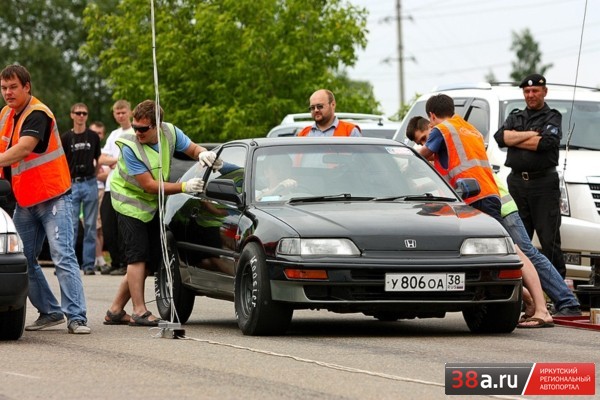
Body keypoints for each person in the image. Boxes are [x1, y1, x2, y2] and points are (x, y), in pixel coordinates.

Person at [105, 99, 221, 326]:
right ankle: (139, 311)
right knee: (137, 256)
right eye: (135, 127)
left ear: (158, 126)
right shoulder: (129, 147)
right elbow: (148, 185)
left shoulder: (170, 133)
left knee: (148, 262)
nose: (137, 132)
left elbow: (192, 148)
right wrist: (185, 187)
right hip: (128, 203)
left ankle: (115, 310)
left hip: (150, 204)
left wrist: (203, 154)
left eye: (143, 128)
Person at [0, 64, 90, 334]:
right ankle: (50, 311)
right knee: (21, 259)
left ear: (27, 87)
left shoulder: (38, 113)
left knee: (63, 256)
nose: (8, 92)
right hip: (26, 201)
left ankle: (76, 317)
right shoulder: (5, 114)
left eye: (13, 87)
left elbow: (23, 148)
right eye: (4, 88)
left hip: (53, 197)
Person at [493, 73, 566, 278]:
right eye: (527, 91)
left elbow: (546, 143)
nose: (530, 95)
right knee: (518, 240)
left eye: (535, 91)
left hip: (543, 185)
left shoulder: (553, 116)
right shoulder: (516, 116)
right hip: (517, 184)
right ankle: (524, 292)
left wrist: (514, 139)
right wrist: (532, 134)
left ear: (544, 91)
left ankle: (558, 293)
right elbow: (500, 137)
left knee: (549, 239)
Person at [495, 175, 582, 319]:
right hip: (498, 206)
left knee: (526, 254)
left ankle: (567, 302)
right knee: (521, 254)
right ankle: (536, 302)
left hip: (500, 208)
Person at [405, 96, 502, 223]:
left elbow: (421, 155)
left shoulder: (441, 129)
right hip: (490, 193)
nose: (431, 124)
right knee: (496, 238)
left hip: (471, 197)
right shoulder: (470, 129)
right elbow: (454, 155)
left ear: (432, 115)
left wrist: (404, 163)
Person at [61, 103, 101, 275]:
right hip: (72, 183)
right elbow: (60, 161)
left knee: (91, 225)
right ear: (72, 115)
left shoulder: (93, 136)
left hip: (90, 182)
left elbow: (98, 158)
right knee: (72, 226)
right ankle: (70, 265)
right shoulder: (65, 137)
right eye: (78, 113)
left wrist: (96, 173)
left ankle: (88, 265)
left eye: (84, 113)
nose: (81, 116)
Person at [97, 100, 132, 275]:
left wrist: (116, 160)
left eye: (123, 112)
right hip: (111, 184)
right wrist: (116, 160)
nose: (120, 115)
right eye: (117, 113)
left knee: (122, 226)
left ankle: (126, 262)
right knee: (108, 224)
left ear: (130, 112)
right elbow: (102, 158)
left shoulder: (135, 132)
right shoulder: (114, 134)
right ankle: (116, 261)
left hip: (127, 186)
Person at [296, 89, 362, 137]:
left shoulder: (349, 131)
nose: (316, 110)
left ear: (333, 105)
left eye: (320, 106)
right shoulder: (303, 134)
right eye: (312, 107)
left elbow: (360, 156)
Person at [89, 121, 109, 271]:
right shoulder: (86, 150)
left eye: (99, 133)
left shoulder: (103, 152)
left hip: (102, 191)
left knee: (100, 228)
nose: (96, 136)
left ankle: (98, 258)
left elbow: (108, 174)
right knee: (92, 226)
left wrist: (94, 175)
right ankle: (95, 259)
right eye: (94, 133)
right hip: (89, 190)